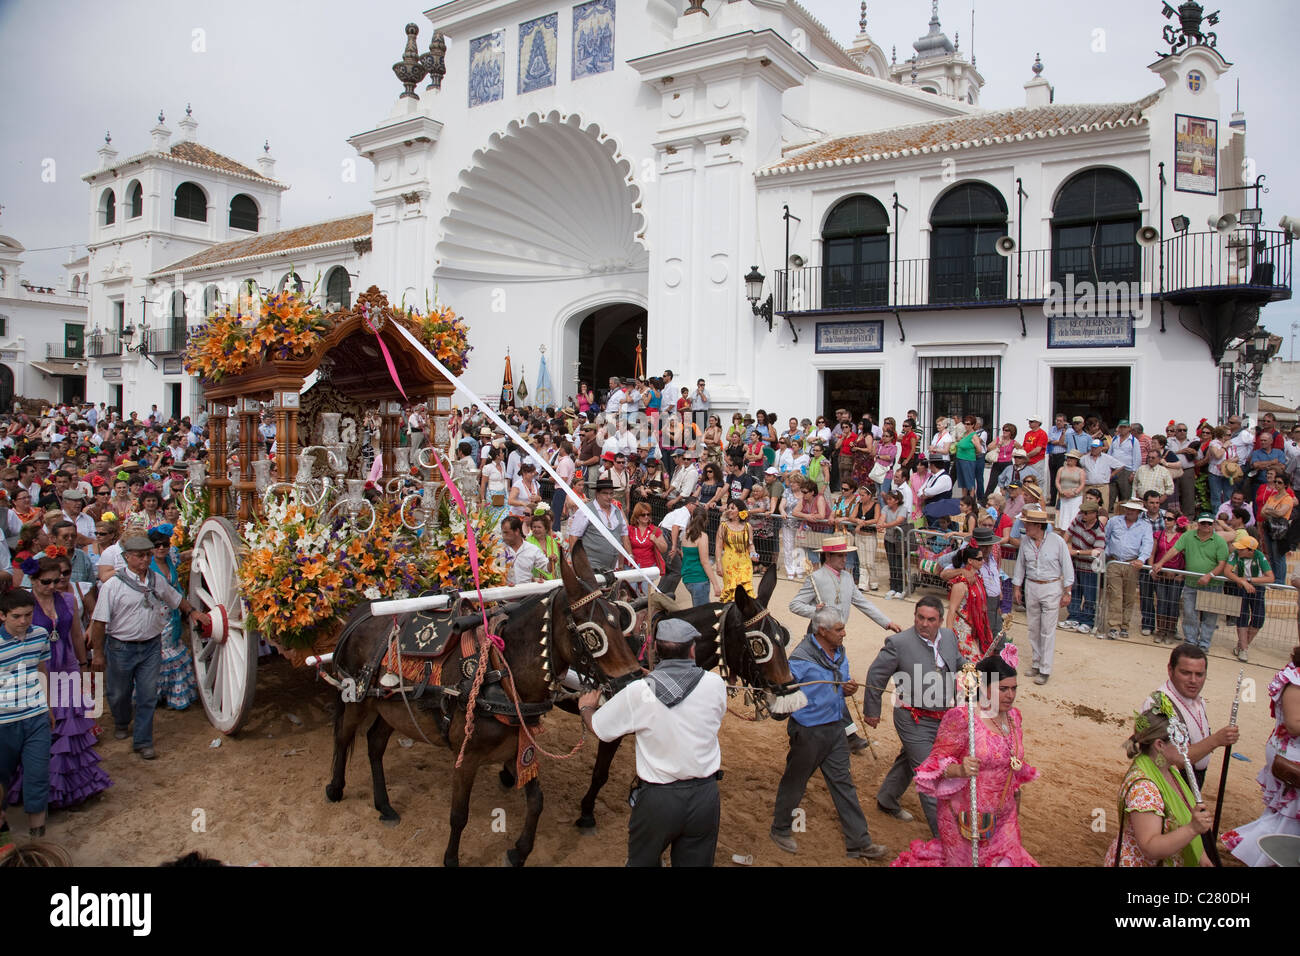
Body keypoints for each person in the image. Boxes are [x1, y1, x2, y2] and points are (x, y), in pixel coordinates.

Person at [579, 618, 726, 867]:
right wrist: (657, 678)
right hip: (705, 796)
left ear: (656, 649)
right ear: (692, 649)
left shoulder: (639, 692)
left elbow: (602, 730)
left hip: (659, 800)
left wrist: (586, 709)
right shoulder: (715, 685)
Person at [891, 643, 1038, 867]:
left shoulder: (1014, 717)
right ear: (985, 688)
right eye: (1003, 689)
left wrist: (1015, 796)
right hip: (964, 818)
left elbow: (1012, 762)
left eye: (1014, 688)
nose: (1011, 695)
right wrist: (959, 769)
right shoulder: (963, 718)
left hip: (1004, 816)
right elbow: (935, 764)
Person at [770, 608, 889, 861]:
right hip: (809, 733)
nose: (844, 633)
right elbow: (782, 695)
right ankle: (780, 828)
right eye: (839, 629)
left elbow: (840, 687)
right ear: (821, 631)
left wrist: (847, 689)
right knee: (796, 780)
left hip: (836, 729)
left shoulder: (839, 652)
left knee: (844, 784)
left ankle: (859, 842)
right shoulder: (800, 660)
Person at [88, 535, 210, 760]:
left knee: (147, 695)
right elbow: (99, 622)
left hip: (151, 646)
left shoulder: (156, 580)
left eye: (147, 554)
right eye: (140, 555)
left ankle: (143, 741)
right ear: (127, 558)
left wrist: (192, 612)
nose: (145, 559)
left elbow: (175, 598)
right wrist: (97, 653)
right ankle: (122, 720)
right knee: (118, 693)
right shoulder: (113, 586)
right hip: (120, 647)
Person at [864, 597, 962, 835]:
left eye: (930, 619)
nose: (924, 624)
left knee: (911, 758)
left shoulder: (949, 637)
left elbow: (958, 663)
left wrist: (976, 670)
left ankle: (887, 798)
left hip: (943, 717)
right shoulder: (898, 642)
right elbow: (876, 675)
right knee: (930, 775)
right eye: (920, 618)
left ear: (939, 620)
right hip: (912, 718)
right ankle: (945, 837)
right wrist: (872, 710)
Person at [1104, 693, 1213, 866]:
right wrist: (1192, 829)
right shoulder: (1144, 788)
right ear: (1160, 745)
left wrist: (1202, 857)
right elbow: (1150, 846)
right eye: (1180, 740)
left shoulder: (1169, 770)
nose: (1186, 747)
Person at [1222, 642, 1300, 866]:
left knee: (1285, 817)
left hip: (1291, 753)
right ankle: (1259, 855)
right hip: (1293, 757)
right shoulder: (1296, 679)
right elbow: (1294, 724)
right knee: (1289, 819)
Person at [1140, 644, 1240, 794]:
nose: (1193, 680)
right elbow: (1177, 758)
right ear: (1170, 670)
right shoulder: (1160, 704)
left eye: (1199, 674)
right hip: (1166, 786)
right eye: (1186, 673)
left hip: (1191, 783)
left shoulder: (1198, 701)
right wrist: (1217, 740)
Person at [0, 589, 52, 837]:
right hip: (3, 722)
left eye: (28, 615)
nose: (23, 621)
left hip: (36, 716)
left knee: (38, 775)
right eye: (16, 616)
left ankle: (37, 838)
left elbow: (41, 668)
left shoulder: (40, 635)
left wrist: (48, 706)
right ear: (2, 616)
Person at [1150, 513, 1229, 651]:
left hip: (1213, 584)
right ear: (1198, 523)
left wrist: (1209, 575)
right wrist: (1161, 562)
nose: (1206, 526)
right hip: (1192, 583)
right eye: (1203, 523)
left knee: (1210, 616)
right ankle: (1191, 641)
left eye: (1209, 523)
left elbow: (1222, 564)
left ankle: (1204, 644)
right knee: (1189, 612)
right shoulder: (1188, 536)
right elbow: (1174, 549)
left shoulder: (1220, 541)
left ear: (1213, 525)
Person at [1011, 508, 1074, 684]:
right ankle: (1036, 663)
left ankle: (1045, 668)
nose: (1025, 527)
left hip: (1051, 586)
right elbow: (1020, 566)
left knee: (1047, 629)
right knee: (1033, 627)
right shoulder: (1025, 542)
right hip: (1032, 585)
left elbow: (1067, 566)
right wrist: (1017, 587)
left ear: (1038, 525)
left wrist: (1067, 591)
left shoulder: (1057, 542)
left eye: (1028, 524)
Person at [1101, 499, 1153, 641]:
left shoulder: (1145, 526)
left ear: (1138, 512)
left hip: (1132, 563)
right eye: (1128, 509)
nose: (1130, 511)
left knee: (1129, 596)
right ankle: (1114, 626)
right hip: (1115, 561)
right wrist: (1103, 554)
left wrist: (1142, 559)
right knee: (1115, 594)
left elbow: (1147, 544)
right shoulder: (1114, 521)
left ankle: (1125, 625)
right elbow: (1105, 537)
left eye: (1133, 510)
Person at [1224, 535, 1272, 662]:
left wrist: (1250, 580)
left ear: (1250, 550)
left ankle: (1241, 645)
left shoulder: (1259, 556)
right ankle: (1244, 649)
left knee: (1258, 618)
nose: (1238, 550)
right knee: (1242, 616)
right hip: (1241, 586)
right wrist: (1243, 581)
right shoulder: (1235, 554)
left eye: (1242, 549)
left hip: (1257, 588)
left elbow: (1270, 577)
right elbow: (1227, 571)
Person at [946, 546, 995, 663]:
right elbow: (952, 609)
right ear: (970, 561)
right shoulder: (961, 583)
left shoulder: (978, 578)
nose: (983, 561)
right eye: (979, 559)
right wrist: (948, 635)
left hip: (975, 627)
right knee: (973, 662)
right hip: (963, 628)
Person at [679, 507, 722, 607]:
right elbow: (705, 562)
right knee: (702, 613)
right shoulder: (702, 536)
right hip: (699, 577)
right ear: (705, 520)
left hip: (687, 577)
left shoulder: (686, 534)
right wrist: (715, 584)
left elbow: (682, 554)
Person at [1257, 469, 1294, 582]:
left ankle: (1279, 581)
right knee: (1271, 556)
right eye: (1276, 482)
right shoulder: (1272, 497)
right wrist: (1273, 510)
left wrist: (1270, 510)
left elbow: (1281, 513)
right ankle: (1273, 578)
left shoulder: (1287, 498)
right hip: (1269, 527)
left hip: (1280, 530)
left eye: (1280, 483)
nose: (1276, 484)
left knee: (1278, 557)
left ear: (1285, 485)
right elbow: (1263, 512)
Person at [714, 502, 754, 602]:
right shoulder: (723, 527)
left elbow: (751, 545)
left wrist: (754, 554)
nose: (729, 510)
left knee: (746, 591)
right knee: (731, 591)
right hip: (729, 564)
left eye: (732, 508)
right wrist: (718, 564)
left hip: (746, 563)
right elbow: (718, 547)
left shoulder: (747, 527)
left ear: (740, 511)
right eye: (728, 508)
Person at [500, 515, 549, 587]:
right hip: (504, 594)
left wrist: (551, 561)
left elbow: (547, 568)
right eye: (503, 533)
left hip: (527, 594)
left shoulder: (532, 549)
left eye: (506, 532)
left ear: (517, 531)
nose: (503, 536)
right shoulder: (498, 549)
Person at [1054, 449, 1086, 530]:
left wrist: (1075, 492)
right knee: (1063, 515)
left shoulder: (1080, 471)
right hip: (1063, 496)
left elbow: (1082, 484)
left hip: (1075, 497)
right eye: (1068, 457)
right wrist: (1061, 491)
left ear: (1076, 460)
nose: (1069, 459)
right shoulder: (1061, 469)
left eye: (1071, 458)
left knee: (1073, 514)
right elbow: (1057, 481)